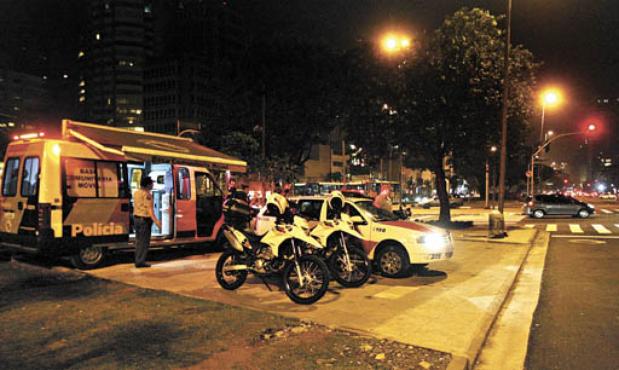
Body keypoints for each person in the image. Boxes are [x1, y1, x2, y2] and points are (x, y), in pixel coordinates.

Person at [133, 176, 161, 268]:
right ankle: (140, 262)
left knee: (138, 241)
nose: (153, 185)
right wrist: (157, 222)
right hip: (144, 220)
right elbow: (150, 210)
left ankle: (138, 260)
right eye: (152, 183)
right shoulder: (147, 195)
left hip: (136, 219)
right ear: (148, 184)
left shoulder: (136, 192)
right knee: (144, 242)